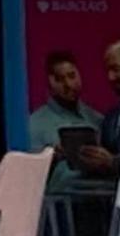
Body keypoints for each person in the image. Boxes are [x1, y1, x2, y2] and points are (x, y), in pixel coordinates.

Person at [27, 50, 104, 199]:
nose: (68, 84)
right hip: (58, 209)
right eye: (59, 79)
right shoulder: (34, 125)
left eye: (72, 76)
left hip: (99, 201)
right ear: (49, 82)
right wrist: (51, 159)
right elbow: (28, 178)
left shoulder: (97, 120)